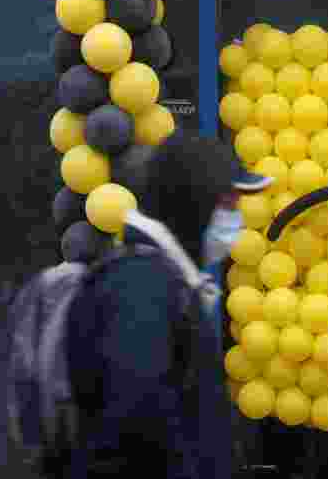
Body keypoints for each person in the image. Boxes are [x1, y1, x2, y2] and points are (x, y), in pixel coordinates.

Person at [64, 129, 271, 478]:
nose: (234, 217)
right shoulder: (141, 287)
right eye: (227, 203)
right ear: (192, 201)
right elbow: (135, 427)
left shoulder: (164, 280)